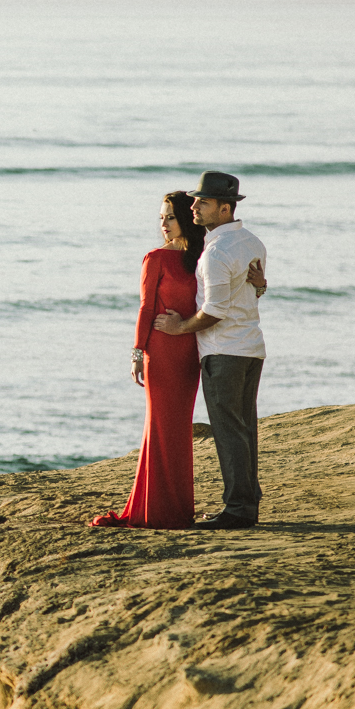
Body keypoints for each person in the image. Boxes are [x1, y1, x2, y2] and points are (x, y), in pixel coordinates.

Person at [154, 171, 268, 529]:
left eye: (202, 202)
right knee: (245, 427)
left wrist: (180, 327)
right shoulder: (252, 242)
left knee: (229, 430)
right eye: (195, 201)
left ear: (224, 208)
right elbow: (253, 290)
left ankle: (237, 509)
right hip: (251, 347)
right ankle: (247, 503)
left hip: (224, 351)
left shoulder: (215, 252)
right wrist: (262, 286)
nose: (194, 207)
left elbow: (215, 310)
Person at [91, 192, 208, 528]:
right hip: (160, 352)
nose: (163, 224)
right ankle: (153, 510)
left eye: (169, 217)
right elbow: (145, 308)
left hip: (188, 352)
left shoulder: (201, 257)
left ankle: (177, 508)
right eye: (161, 218)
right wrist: (137, 353)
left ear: (185, 219)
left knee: (177, 431)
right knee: (159, 427)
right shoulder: (154, 258)